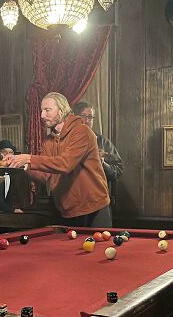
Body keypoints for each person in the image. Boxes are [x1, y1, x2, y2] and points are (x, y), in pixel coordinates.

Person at [6, 92, 111, 227]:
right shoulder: (49, 141)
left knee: (100, 248)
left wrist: (29, 158)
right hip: (67, 210)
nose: (42, 115)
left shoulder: (82, 132)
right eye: (42, 111)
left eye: (47, 110)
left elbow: (65, 164)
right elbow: (45, 175)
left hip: (94, 207)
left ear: (61, 111)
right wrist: (22, 166)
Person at [72, 101, 123, 195]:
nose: (87, 121)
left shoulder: (103, 142)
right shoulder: (67, 141)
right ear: (75, 117)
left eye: (90, 117)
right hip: (73, 198)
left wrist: (103, 163)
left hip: (98, 197)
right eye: (83, 116)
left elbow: (118, 171)